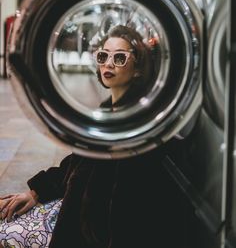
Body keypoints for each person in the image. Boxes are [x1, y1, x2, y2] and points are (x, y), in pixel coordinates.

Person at [0, 25, 187, 248]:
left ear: (138, 68)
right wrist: (35, 192)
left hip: (80, 233)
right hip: (69, 214)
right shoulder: (110, 112)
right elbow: (77, 163)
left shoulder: (136, 129)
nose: (108, 63)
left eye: (119, 58)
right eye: (103, 56)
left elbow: (127, 214)